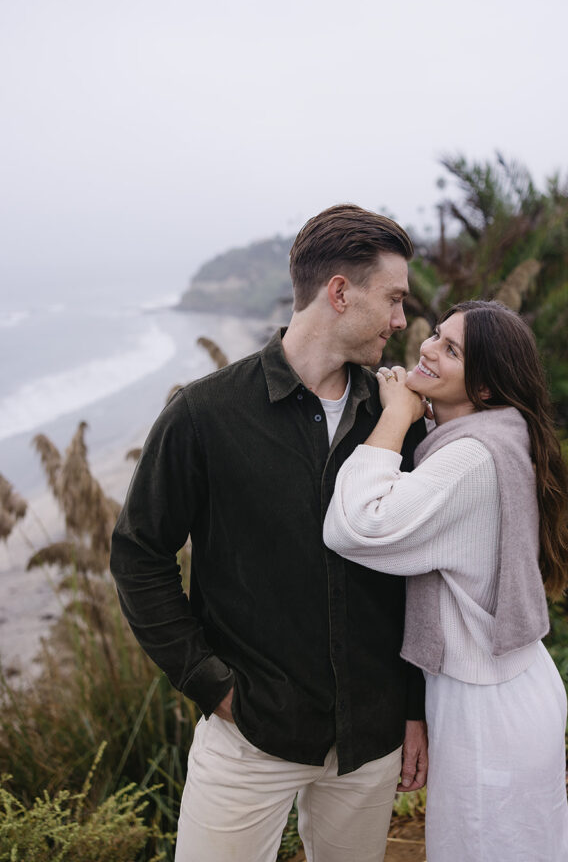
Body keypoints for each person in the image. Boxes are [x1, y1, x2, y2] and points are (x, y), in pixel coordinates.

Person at [110, 204, 428, 862]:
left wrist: (413, 706)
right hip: (247, 738)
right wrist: (210, 685)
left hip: (370, 742)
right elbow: (138, 554)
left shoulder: (399, 417)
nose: (401, 321)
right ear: (339, 292)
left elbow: (422, 572)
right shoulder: (203, 413)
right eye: (393, 299)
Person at [323, 300, 568, 862]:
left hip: (488, 704)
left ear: (485, 389)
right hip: (507, 685)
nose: (428, 347)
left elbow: (355, 526)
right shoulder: (500, 434)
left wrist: (396, 414)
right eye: (437, 334)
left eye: (451, 349)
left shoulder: (468, 461)